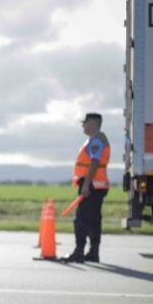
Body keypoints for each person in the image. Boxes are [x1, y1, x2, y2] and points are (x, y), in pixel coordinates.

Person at [62, 113, 110, 263]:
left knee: (81, 220)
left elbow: (95, 163)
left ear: (94, 123)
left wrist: (86, 184)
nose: (83, 126)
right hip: (96, 185)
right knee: (94, 220)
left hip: (92, 186)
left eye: (85, 123)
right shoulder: (96, 140)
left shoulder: (97, 141)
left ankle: (79, 252)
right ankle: (93, 253)